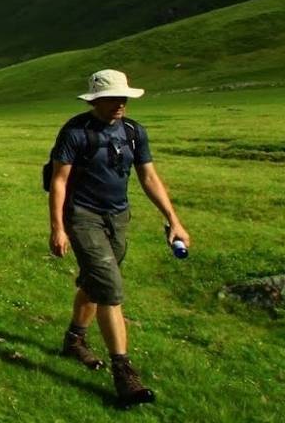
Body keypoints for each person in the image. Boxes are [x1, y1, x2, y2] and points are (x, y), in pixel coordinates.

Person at [47, 69, 189, 408]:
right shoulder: (75, 132)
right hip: (83, 216)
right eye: (113, 98)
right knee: (110, 288)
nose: (120, 103)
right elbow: (59, 181)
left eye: (123, 97)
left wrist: (173, 220)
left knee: (95, 282)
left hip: (118, 217)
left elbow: (149, 177)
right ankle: (124, 374)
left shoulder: (133, 132)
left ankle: (74, 341)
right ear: (96, 101)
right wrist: (57, 227)